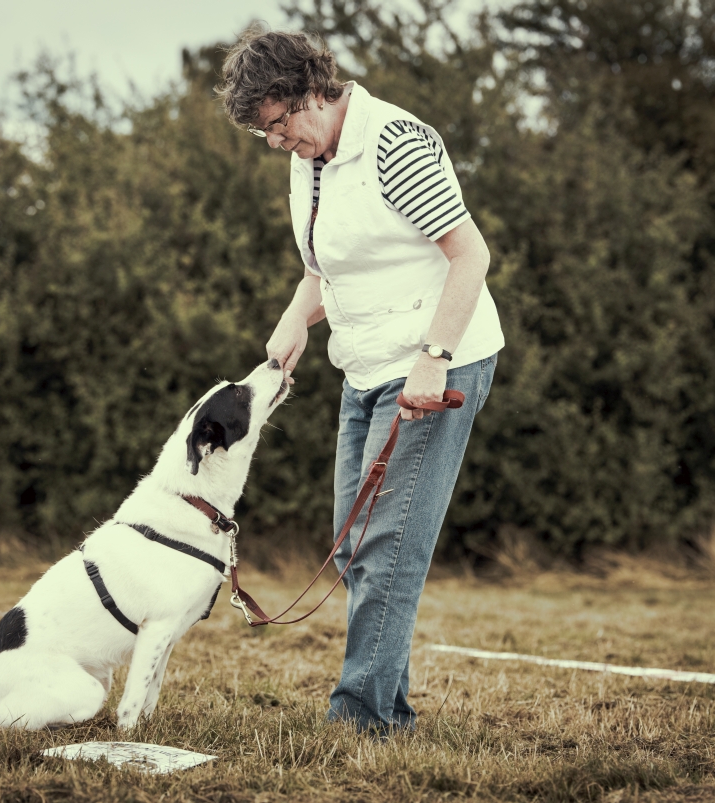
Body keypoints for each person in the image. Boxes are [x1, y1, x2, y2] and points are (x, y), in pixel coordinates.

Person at [217, 26, 504, 734]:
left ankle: (363, 717)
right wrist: (295, 320)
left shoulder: (394, 143)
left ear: (309, 91)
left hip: (435, 363)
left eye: (277, 125)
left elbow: (470, 254)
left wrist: (433, 356)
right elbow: (330, 262)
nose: (277, 143)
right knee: (353, 544)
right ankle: (390, 706)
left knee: (387, 544)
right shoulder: (311, 155)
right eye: (265, 135)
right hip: (365, 365)